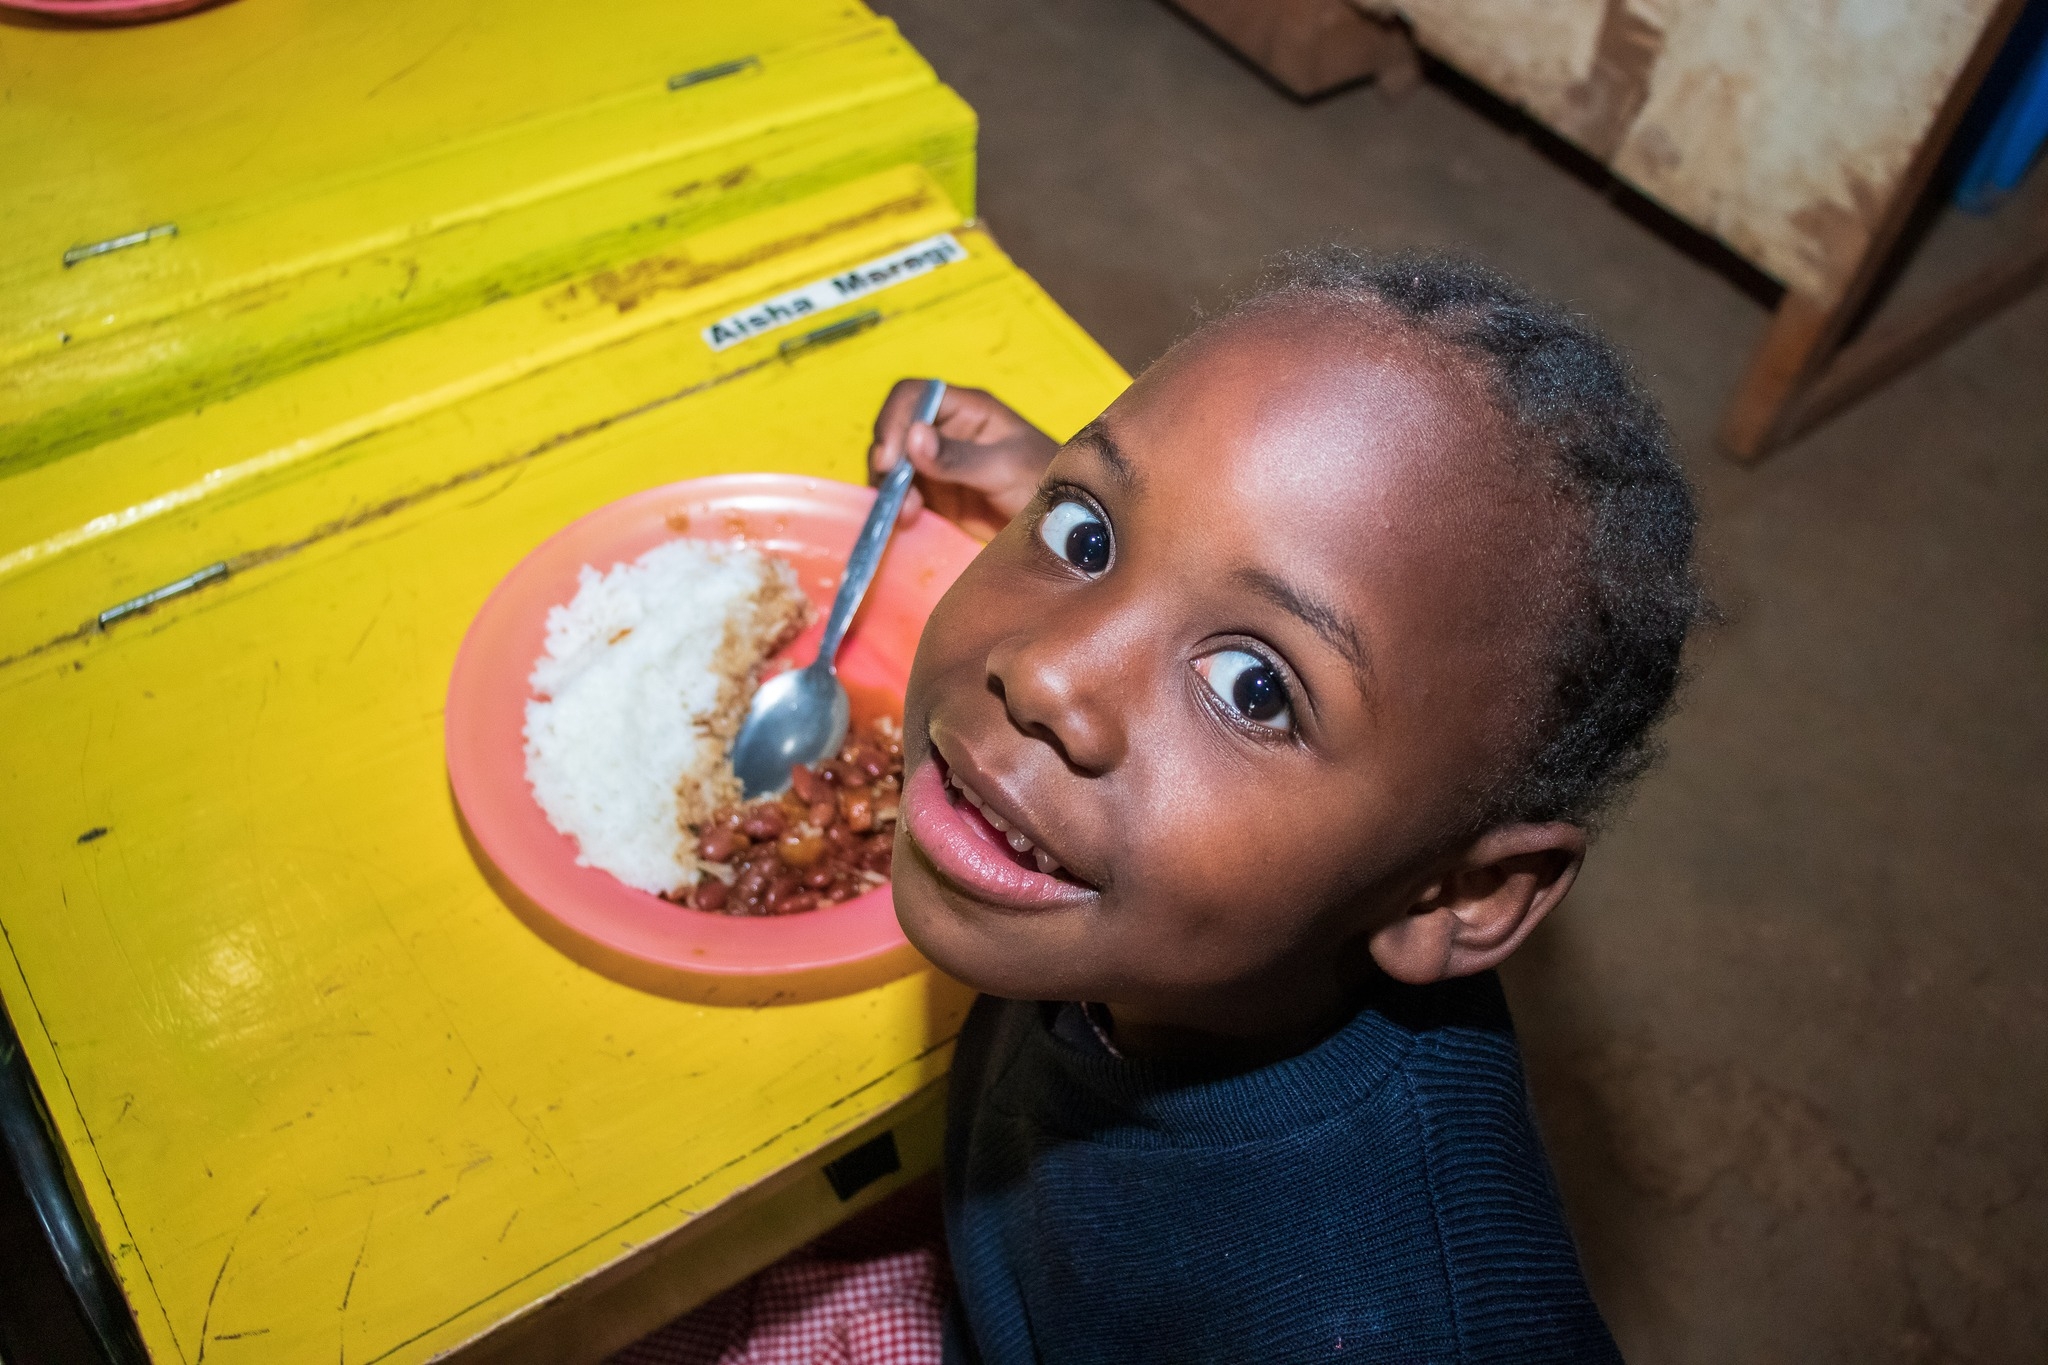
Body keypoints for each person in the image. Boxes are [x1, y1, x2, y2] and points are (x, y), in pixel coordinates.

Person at [862, 247, 1704, 1364]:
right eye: (1084, 534)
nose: (1048, 673)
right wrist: (1062, 496)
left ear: (1457, 893)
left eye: (1253, 689)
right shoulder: (1148, 916)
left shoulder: (1372, 1327)